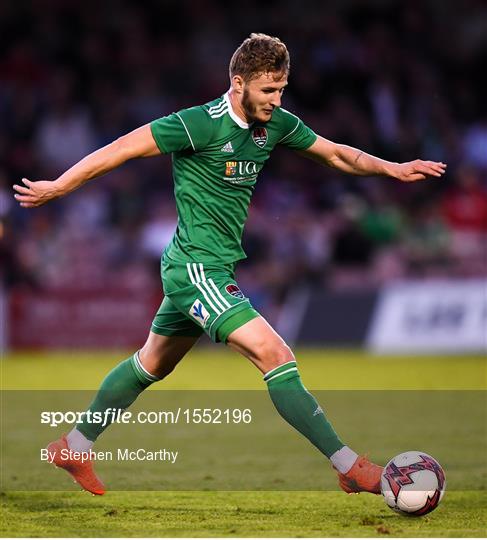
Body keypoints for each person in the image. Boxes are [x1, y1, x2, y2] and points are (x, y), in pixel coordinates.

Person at [13, 33, 446, 496]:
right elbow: (121, 148)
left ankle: (74, 445)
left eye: (281, 89)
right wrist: (59, 185)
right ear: (238, 84)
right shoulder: (199, 124)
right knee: (276, 356)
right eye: (268, 90)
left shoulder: (275, 123)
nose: (276, 100)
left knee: (151, 365)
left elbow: (336, 153)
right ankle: (350, 466)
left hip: (208, 269)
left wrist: (393, 168)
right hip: (196, 269)